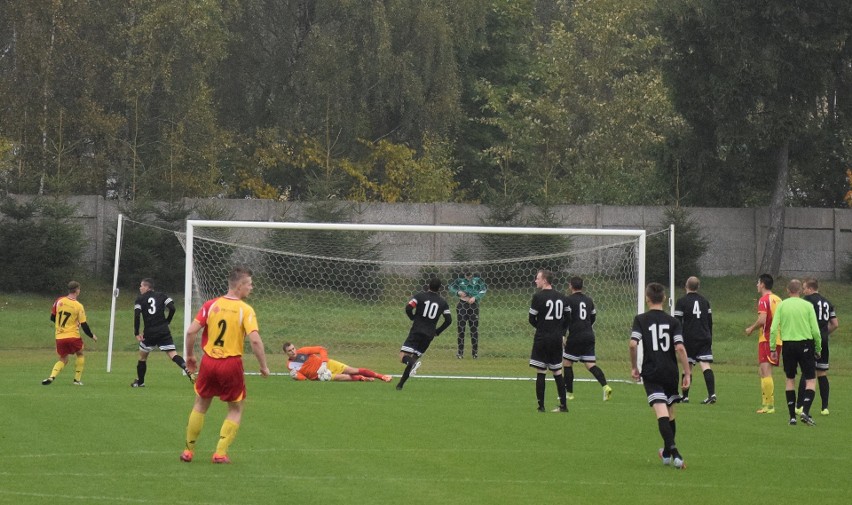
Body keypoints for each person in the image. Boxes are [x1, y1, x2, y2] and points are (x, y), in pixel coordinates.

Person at [180, 267, 270, 464]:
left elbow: (190, 332)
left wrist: (189, 356)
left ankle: (188, 451)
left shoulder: (211, 304)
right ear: (239, 286)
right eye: (249, 284)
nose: (251, 288)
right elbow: (255, 340)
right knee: (236, 408)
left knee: (201, 403)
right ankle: (220, 453)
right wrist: (264, 366)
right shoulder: (245, 310)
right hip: (230, 363)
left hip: (209, 362)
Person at [629, 282, 690, 469]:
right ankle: (665, 452)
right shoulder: (673, 322)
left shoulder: (641, 319)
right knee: (670, 412)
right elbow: (679, 347)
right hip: (670, 371)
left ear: (647, 298)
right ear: (664, 298)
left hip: (652, 370)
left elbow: (633, 344)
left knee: (661, 411)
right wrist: (687, 373)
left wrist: (634, 367)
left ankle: (675, 453)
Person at [769, 279, 822, 426]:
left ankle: (792, 417)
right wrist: (818, 349)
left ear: (787, 290)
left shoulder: (782, 305)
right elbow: (816, 331)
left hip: (788, 345)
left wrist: (773, 348)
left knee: (790, 379)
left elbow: (774, 329)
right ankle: (805, 410)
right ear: (800, 290)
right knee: (811, 379)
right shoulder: (807, 305)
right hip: (805, 344)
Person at [131, 278, 193, 387]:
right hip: (163, 331)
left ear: (147, 287)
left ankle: (140, 382)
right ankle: (186, 367)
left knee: (142, 357)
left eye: (141, 286)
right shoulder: (162, 295)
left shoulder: (140, 299)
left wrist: (136, 332)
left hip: (149, 332)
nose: (140, 288)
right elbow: (172, 308)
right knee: (173, 354)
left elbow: (137, 316)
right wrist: (167, 321)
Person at [397, 277, 452, 390]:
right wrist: (438, 331)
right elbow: (449, 320)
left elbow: (408, 308)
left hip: (417, 331)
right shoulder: (443, 302)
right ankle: (400, 385)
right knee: (414, 358)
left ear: (428, 285)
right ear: (439, 289)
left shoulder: (419, 296)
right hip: (429, 334)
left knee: (403, 356)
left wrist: (413, 318)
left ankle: (411, 365)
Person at [562, 276, 612, 401]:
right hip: (589, 335)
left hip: (575, 336)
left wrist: (563, 334)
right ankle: (605, 386)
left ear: (570, 286)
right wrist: (587, 326)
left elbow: (565, 318)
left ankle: (569, 394)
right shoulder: (589, 300)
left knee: (567, 364)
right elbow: (593, 316)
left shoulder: (568, 300)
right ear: (582, 286)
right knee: (590, 364)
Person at [42, 281, 98, 385]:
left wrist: (61, 326)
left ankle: (51, 377)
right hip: (72, 336)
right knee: (80, 354)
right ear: (77, 290)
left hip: (59, 336)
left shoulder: (59, 301)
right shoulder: (78, 306)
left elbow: (52, 317)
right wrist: (91, 335)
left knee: (63, 358)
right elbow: (84, 324)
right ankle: (77, 380)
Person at [796, 278, 838, 416]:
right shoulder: (827, 302)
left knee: (807, 372)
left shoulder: (807, 300)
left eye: (804, 288)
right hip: (824, 340)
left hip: (810, 339)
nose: (803, 290)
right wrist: (825, 334)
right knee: (822, 372)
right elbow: (835, 324)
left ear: (809, 288)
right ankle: (824, 407)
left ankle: (799, 406)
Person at [528, 269, 568, 413]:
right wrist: (562, 332)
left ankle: (541, 406)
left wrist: (542, 327)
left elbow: (531, 318)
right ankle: (563, 405)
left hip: (543, 338)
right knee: (557, 371)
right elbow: (567, 318)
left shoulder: (537, 297)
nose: (535, 280)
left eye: (537, 278)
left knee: (541, 371)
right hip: (557, 338)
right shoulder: (562, 297)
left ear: (545, 280)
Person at [673, 276, 716, 404]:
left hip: (689, 338)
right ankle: (711, 394)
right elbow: (710, 321)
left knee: (687, 367)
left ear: (686, 286)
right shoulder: (705, 301)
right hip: (704, 336)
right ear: (698, 287)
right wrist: (709, 336)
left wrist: (676, 339)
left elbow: (677, 322)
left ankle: (685, 396)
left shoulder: (682, 301)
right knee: (705, 365)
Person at [744, 273, 782, 414]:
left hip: (767, 338)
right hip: (777, 339)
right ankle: (765, 403)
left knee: (765, 371)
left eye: (758, 282)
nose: (757, 285)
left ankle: (769, 405)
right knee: (763, 371)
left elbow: (762, 320)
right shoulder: (778, 299)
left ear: (763, 284)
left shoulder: (764, 300)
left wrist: (750, 329)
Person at [284, 342, 392, 382]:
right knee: (345, 378)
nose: (293, 351)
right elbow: (305, 378)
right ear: (286, 353)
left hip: (328, 364)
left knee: (352, 370)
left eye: (293, 348)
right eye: (290, 351)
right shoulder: (290, 366)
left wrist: (324, 363)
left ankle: (382, 377)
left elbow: (321, 349)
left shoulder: (303, 351)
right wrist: (296, 377)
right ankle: (362, 378)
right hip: (320, 376)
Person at [448, 271, 487, 359]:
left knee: (474, 329)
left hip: (473, 306)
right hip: (462, 305)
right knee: (461, 329)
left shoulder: (478, 280)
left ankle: (475, 353)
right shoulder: (459, 280)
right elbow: (450, 287)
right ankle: (460, 353)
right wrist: (458, 292)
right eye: (467, 276)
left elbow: (484, 289)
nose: (468, 277)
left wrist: (475, 297)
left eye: (470, 276)